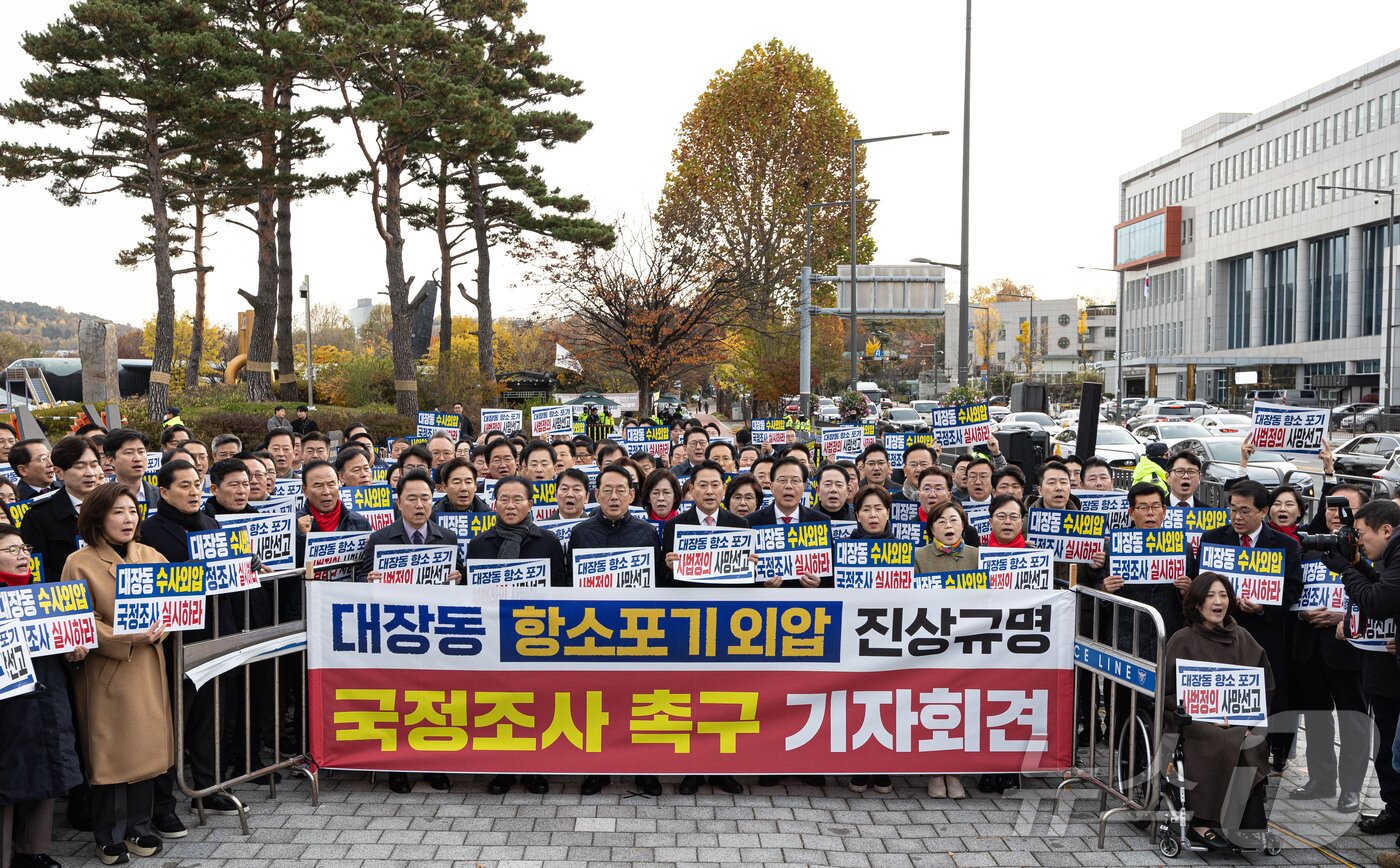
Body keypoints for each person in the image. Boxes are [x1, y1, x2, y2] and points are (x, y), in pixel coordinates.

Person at [61, 483, 176, 865]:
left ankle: (139, 827)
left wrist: (166, 625)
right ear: (97, 517)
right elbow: (77, 619)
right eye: (118, 512)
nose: (128, 519)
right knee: (110, 754)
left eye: (132, 511)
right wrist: (123, 636)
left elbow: (173, 603)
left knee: (145, 750)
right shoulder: (80, 562)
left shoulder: (150, 555)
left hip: (147, 666)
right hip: (106, 670)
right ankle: (108, 833)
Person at [138, 460, 241, 826]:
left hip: (218, 632)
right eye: (184, 485)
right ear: (163, 492)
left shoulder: (211, 523)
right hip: (177, 642)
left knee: (211, 715)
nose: (194, 491)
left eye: (196, 483)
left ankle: (208, 790)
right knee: (173, 720)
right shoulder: (148, 531)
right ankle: (162, 805)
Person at [1187, 479, 1303, 773]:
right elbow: (1200, 583)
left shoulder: (1285, 545)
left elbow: (1292, 589)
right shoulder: (1213, 539)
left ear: (1263, 511)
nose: (1237, 517)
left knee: (1263, 693)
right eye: (1232, 509)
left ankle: (1265, 755)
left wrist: (1265, 606)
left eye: (1245, 511)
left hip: (1265, 632)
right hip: (1221, 633)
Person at [465, 475, 567, 796]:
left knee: (536, 703)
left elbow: (561, 592)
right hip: (494, 637)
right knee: (501, 704)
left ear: (530, 504)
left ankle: (535, 767)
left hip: (538, 636)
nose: (511, 506)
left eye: (518, 499)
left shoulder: (548, 542)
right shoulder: (479, 544)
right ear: (494, 504)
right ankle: (504, 768)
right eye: (504, 500)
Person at [1162, 572, 1274, 851]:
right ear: (1198, 603)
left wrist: (1250, 719)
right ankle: (1201, 820)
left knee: (1250, 741)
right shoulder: (1182, 639)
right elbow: (1167, 692)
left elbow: (1264, 686)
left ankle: (1244, 822)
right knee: (1219, 739)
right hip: (1194, 722)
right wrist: (1206, 713)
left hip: (1238, 721)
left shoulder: (1244, 638)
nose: (1218, 601)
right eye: (1210, 595)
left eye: (1223, 595)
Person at [570, 465, 664, 797]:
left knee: (641, 703)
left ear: (631, 495)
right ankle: (599, 769)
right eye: (607, 490)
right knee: (599, 705)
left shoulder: (646, 532)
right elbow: (570, 588)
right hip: (594, 633)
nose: (613, 496)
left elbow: (660, 588)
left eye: (620, 490)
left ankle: (644, 769)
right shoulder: (581, 533)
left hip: (638, 632)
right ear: (596, 495)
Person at [0, 523, 84, 868]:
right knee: (8, 777)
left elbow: (61, 644)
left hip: (47, 695)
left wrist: (73, 651)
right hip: (9, 705)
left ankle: (32, 849)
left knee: (48, 767)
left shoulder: (46, 595)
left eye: (25, 549)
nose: (23, 556)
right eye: (12, 551)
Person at [1287, 484, 1367, 814]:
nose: (1337, 514)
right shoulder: (1308, 546)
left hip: (1348, 646)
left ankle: (1351, 788)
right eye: (1332, 506)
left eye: (1346, 507)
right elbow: (1289, 590)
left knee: (1353, 720)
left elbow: (1379, 595)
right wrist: (1302, 611)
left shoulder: (1370, 553)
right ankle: (1321, 779)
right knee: (1317, 717)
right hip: (1309, 644)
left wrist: (1344, 615)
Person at [1339, 499, 1400, 841]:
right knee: (1389, 742)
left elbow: (1379, 601)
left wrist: (1347, 571)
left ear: (1386, 530)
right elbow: (1381, 586)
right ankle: (1395, 808)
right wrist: (1358, 566)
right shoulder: (1390, 556)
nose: (1357, 541)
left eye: (1361, 534)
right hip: (1384, 667)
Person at [910, 498, 976, 800]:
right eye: (941, 521)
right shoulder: (919, 556)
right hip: (930, 640)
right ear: (931, 528)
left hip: (968, 643)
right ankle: (935, 771)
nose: (948, 526)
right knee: (933, 707)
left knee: (961, 706)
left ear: (963, 524)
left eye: (953, 520)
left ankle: (954, 770)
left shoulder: (978, 557)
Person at [20, 435, 105, 582]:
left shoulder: (113, 507)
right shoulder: (38, 517)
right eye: (80, 466)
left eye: (94, 464)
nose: (90, 473)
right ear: (59, 472)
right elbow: (38, 572)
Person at [747, 456, 831, 589]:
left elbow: (830, 577)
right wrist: (761, 584)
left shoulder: (820, 521)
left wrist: (818, 584)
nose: (788, 486)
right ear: (772, 486)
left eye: (795, 481)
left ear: (803, 487)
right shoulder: (751, 522)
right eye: (782, 480)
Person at [103, 429, 158, 511]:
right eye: (129, 452)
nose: (137, 458)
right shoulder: (101, 498)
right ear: (111, 460)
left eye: (141, 452)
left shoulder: (162, 496)